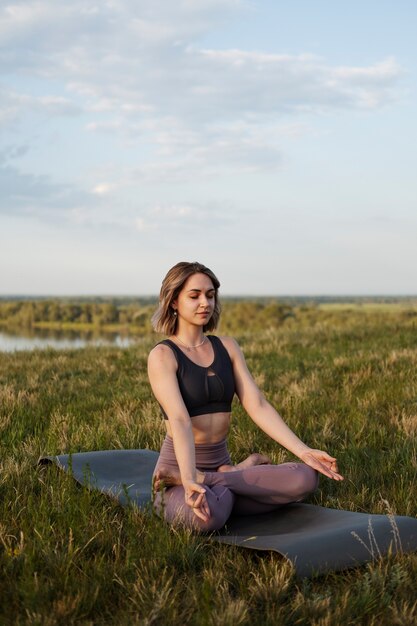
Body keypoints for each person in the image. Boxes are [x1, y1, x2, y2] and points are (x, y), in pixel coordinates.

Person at [148, 261, 343, 532]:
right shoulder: (163, 356)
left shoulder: (227, 347)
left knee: (305, 479)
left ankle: (221, 478)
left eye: (210, 295)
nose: (205, 302)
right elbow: (180, 421)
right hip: (177, 472)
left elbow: (257, 404)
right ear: (174, 302)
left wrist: (304, 451)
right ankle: (226, 479)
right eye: (194, 296)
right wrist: (190, 477)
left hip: (218, 466)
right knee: (208, 519)